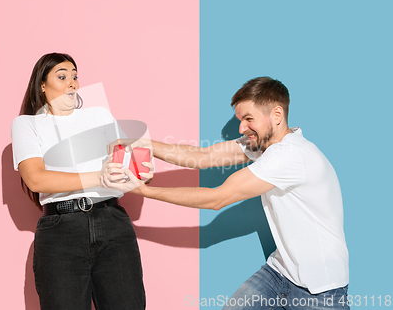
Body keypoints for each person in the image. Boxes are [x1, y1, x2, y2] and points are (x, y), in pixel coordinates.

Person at [102, 77, 349, 309]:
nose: (242, 128)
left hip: (320, 290)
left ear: (276, 114)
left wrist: (145, 191)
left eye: (248, 118)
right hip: (281, 271)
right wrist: (143, 144)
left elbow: (217, 198)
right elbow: (204, 156)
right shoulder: (267, 145)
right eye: (240, 119)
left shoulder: (290, 155)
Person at [10, 52, 149, 310]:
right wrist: (99, 177)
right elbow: (36, 179)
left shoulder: (99, 115)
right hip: (61, 230)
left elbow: (126, 163)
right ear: (42, 85)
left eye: (74, 77)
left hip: (112, 221)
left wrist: (141, 171)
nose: (72, 82)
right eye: (62, 76)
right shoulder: (27, 125)